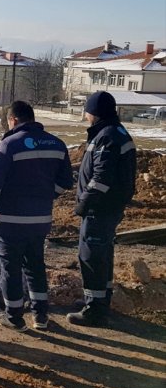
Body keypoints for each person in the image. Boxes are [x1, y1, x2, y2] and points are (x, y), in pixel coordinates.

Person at [0, 101, 73, 332]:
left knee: (11, 268)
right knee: (35, 265)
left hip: (11, 219)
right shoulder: (57, 143)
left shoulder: (10, 144)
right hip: (41, 219)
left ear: (13, 120)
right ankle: (40, 316)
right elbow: (65, 182)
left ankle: (14, 316)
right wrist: (46, 197)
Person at [67, 91, 136, 327]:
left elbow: (101, 179)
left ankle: (94, 310)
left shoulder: (106, 137)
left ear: (94, 112)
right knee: (103, 254)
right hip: (109, 207)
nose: (85, 115)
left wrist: (82, 204)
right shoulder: (115, 132)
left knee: (91, 255)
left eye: (86, 110)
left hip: (100, 208)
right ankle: (98, 300)